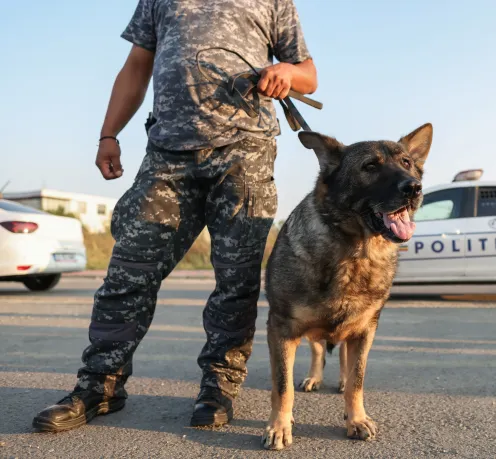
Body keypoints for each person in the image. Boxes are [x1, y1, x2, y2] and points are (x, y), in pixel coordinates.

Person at [32, 0, 317, 432]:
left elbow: (308, 73)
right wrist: (108, 134)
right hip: (167, 155)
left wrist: (287, 74)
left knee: (235, 282)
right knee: (128, 272)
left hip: (246, 153)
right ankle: (100, 386)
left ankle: (218, 387)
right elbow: (136, 65)